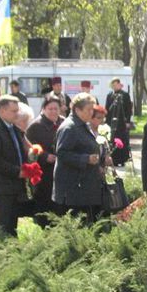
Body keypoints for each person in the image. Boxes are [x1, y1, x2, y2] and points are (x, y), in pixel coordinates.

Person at [0, 95, 33, 237]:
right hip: (3, 183)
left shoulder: (11, 127)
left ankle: (11, 249)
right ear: (2, 111)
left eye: (17, 110)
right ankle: (0, 250)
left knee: (12, 221)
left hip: (14, 183)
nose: (17, 114)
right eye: (13, 111)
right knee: (2, 221)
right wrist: (18, 172)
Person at [52, 93, 104, 223]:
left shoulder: (81, 125)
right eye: (88, 110)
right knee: (76, 226)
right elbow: (62, 153)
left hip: (83, 187)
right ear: (77, 110)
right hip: (73, 190)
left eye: (93, 109)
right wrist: (86, 159)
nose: (91, 113)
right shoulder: (70, 127)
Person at [26, 94, 64, 227]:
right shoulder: (35, 126)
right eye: (50, 109)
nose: (53, 111)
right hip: (44, 172)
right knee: (44, 201)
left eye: (56, 108)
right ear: (44, 109)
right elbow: (29, 148)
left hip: (60, 170)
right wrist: (44, 156)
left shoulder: (63, 123)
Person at [105, 77, 133, 165]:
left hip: (121, 123)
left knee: (122, 140)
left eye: (115, 84)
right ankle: (113, 159)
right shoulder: (110, 95)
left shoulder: (125, 95)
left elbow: (128, 109)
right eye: (112, 85)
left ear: (119, 84)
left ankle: (122, 159)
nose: (114, 86)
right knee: (112, 140)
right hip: (111, 122)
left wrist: (128, 121)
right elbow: (107, 108)